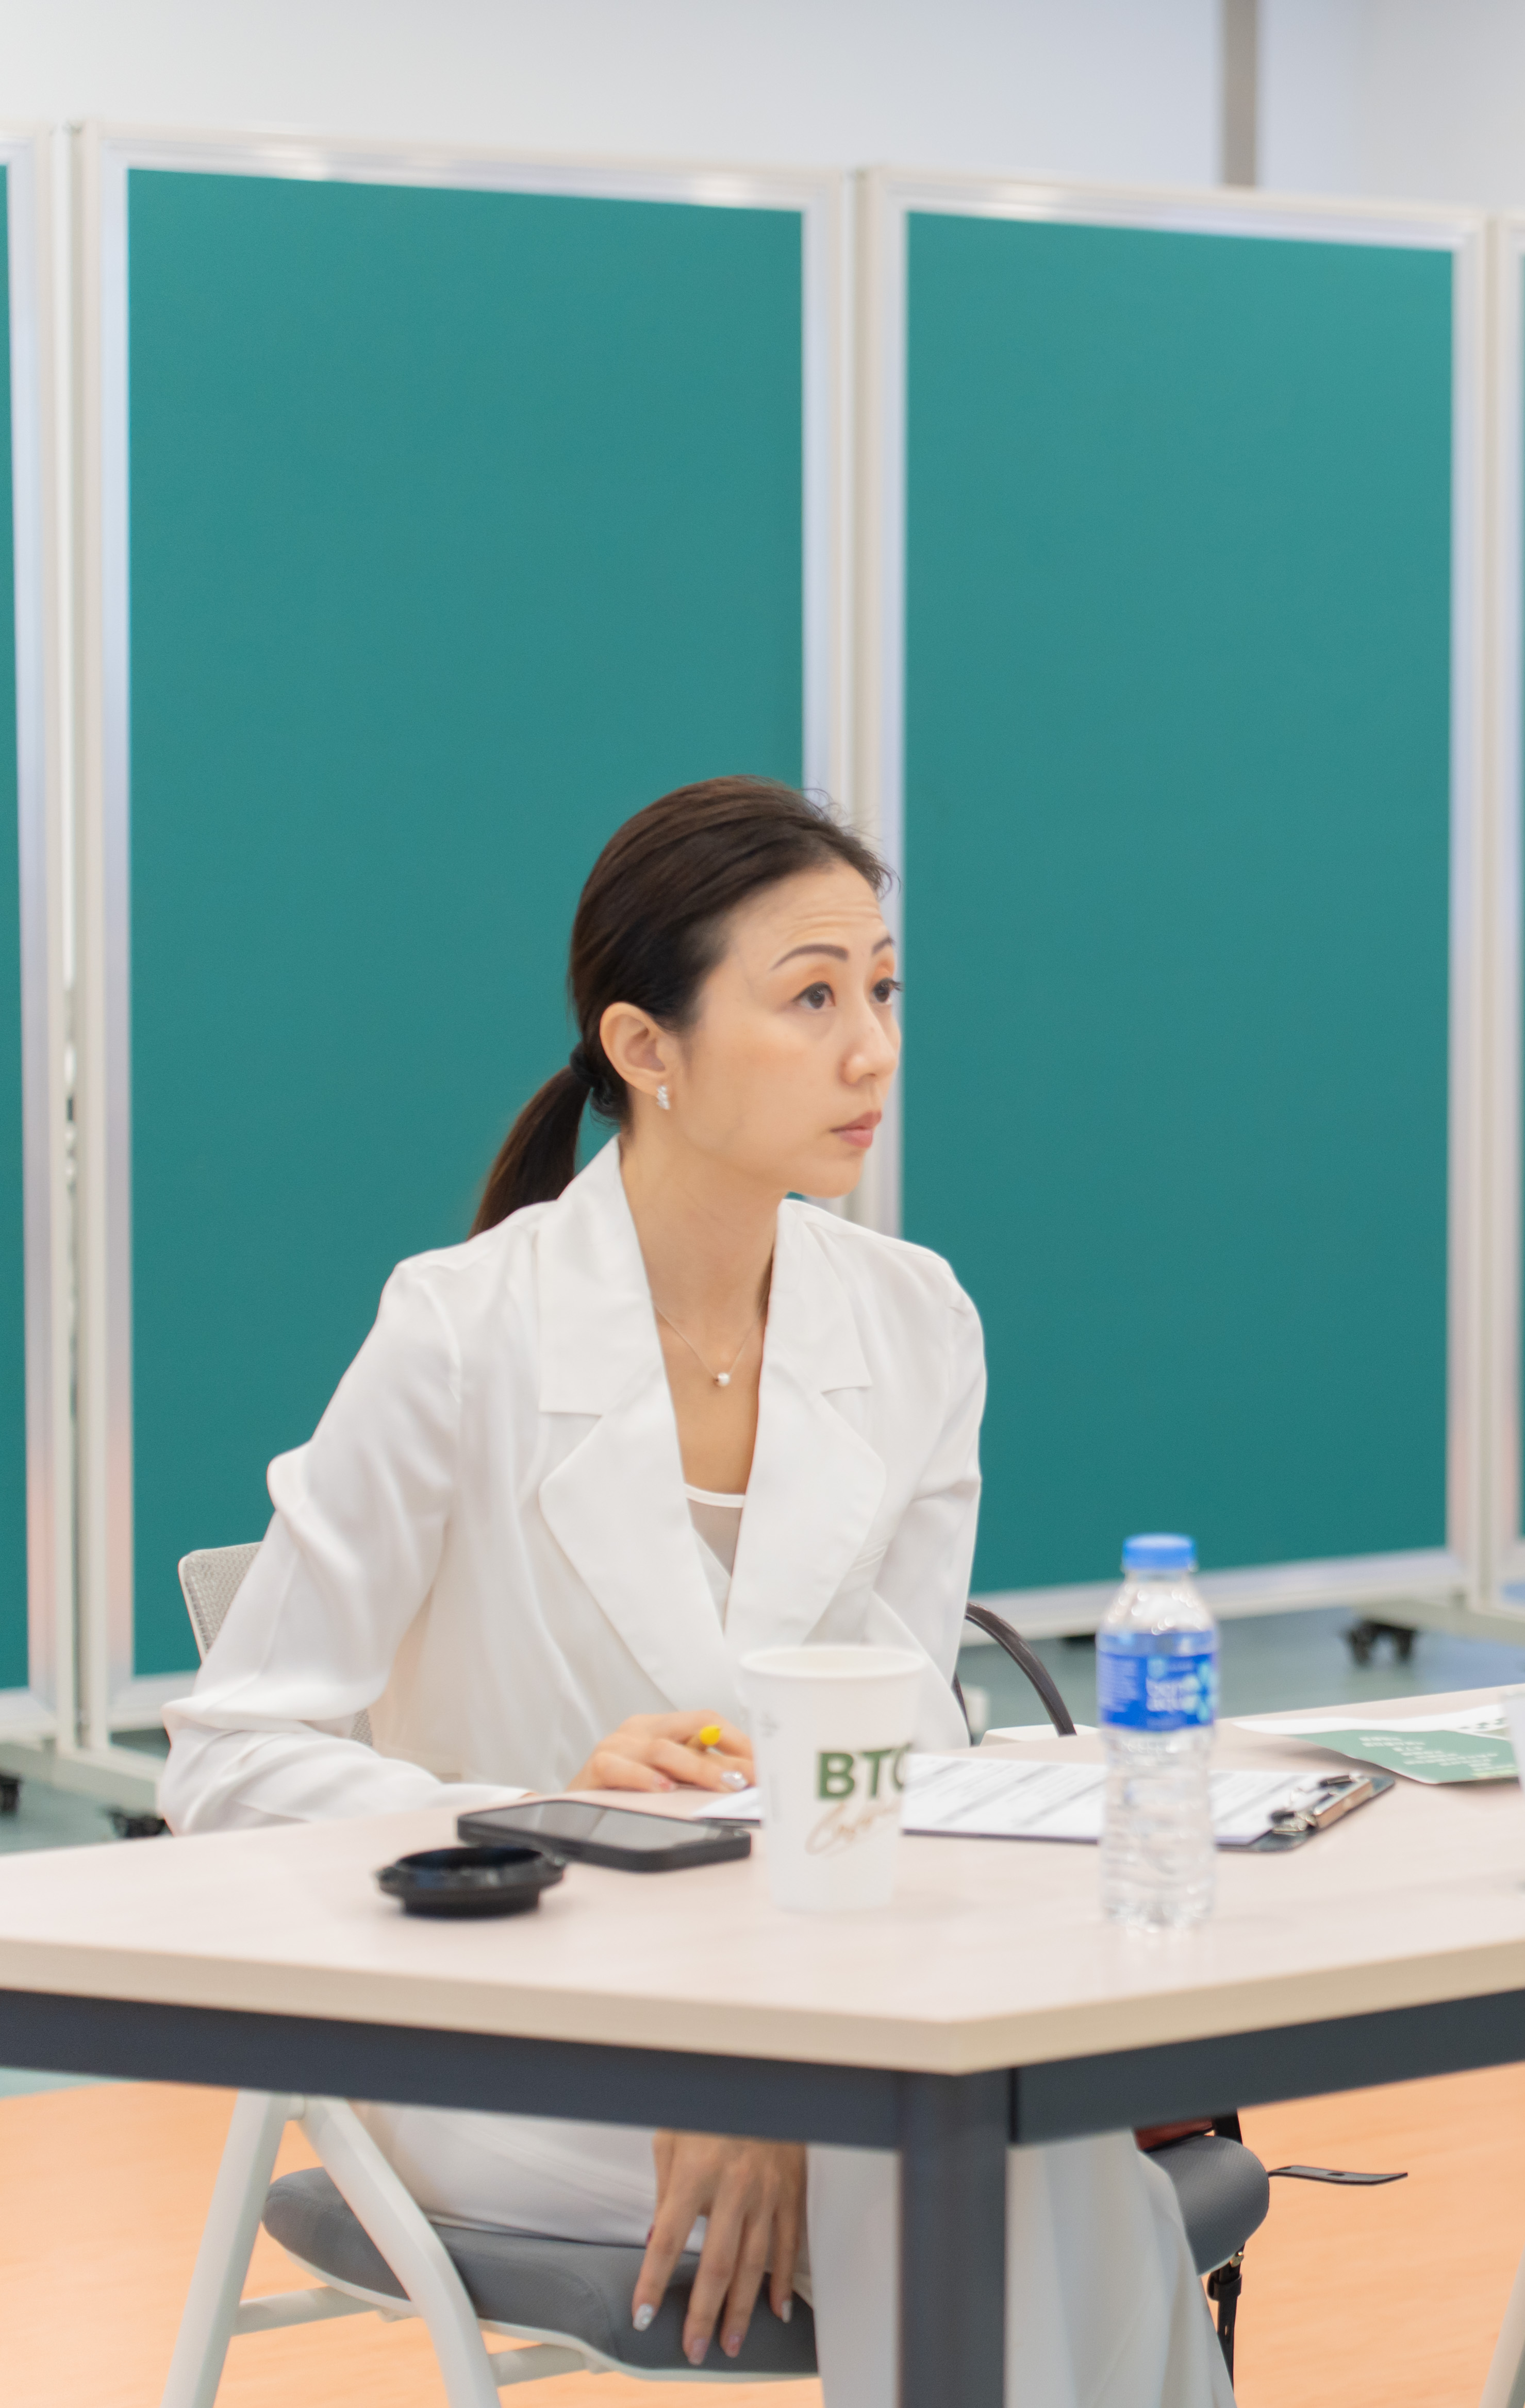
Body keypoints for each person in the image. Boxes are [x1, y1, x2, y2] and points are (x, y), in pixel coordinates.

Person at [160, 778, 1231, 2408]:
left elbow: (900, 1752)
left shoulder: (917, 1324)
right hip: (505, 2025)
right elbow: (227, 1762)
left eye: (883, 991)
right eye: (811, 999)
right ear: (645, 1047)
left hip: (832, 2011)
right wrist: (538, 1817)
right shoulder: (459, 1332)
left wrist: (788, 2051)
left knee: (1024, 2146)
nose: (872, 1051)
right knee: (984, 2163)